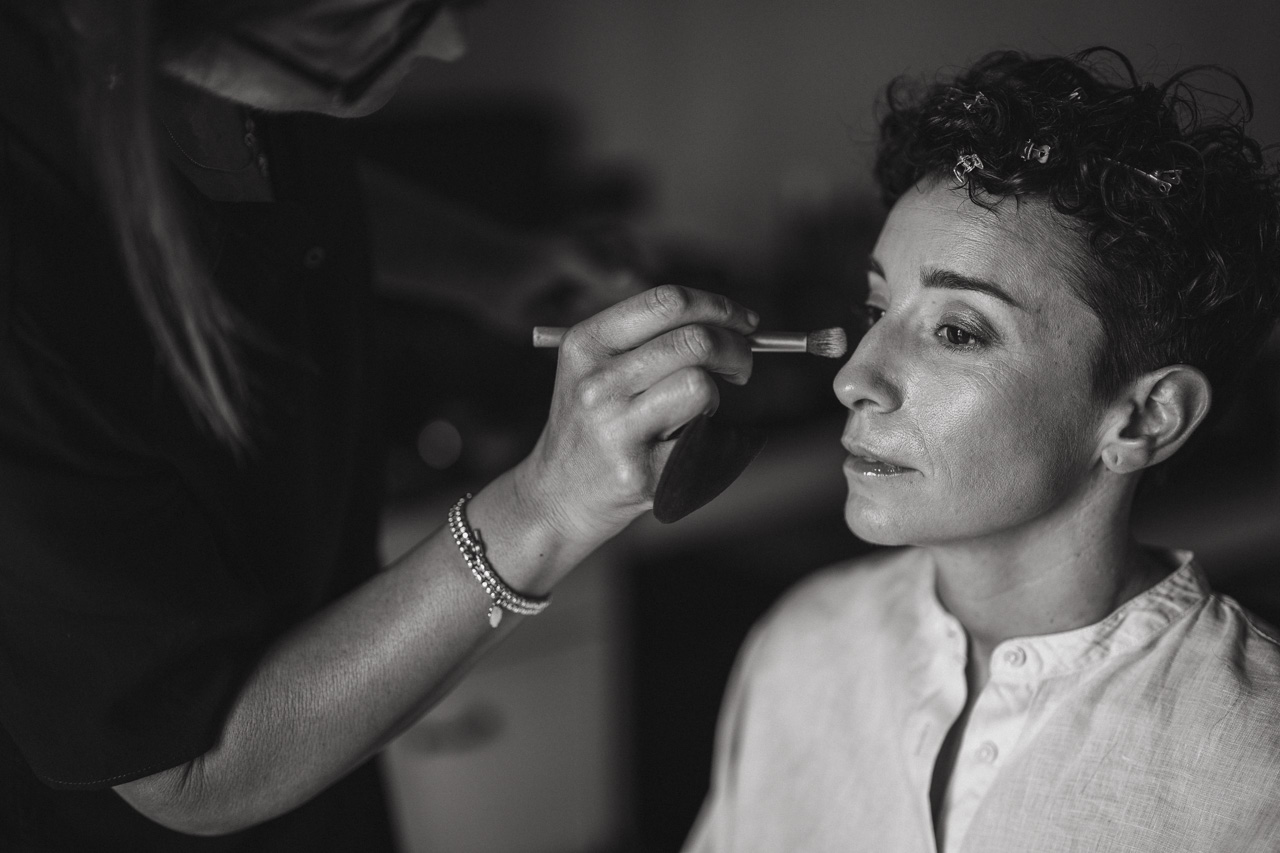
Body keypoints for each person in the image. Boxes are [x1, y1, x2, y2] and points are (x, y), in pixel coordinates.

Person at [0, 0, 762, 849]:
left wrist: (492, 267)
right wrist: (545, 508)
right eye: (391, 15)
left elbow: (275, 180)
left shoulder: (226, 74)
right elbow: (193, 771)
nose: (451, 42)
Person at [685, 48, 1280, 852]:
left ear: (1144, 417)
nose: (855, 379)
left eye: (958, 332)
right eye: (877, 310)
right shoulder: (804, 646)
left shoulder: (1255, 762)